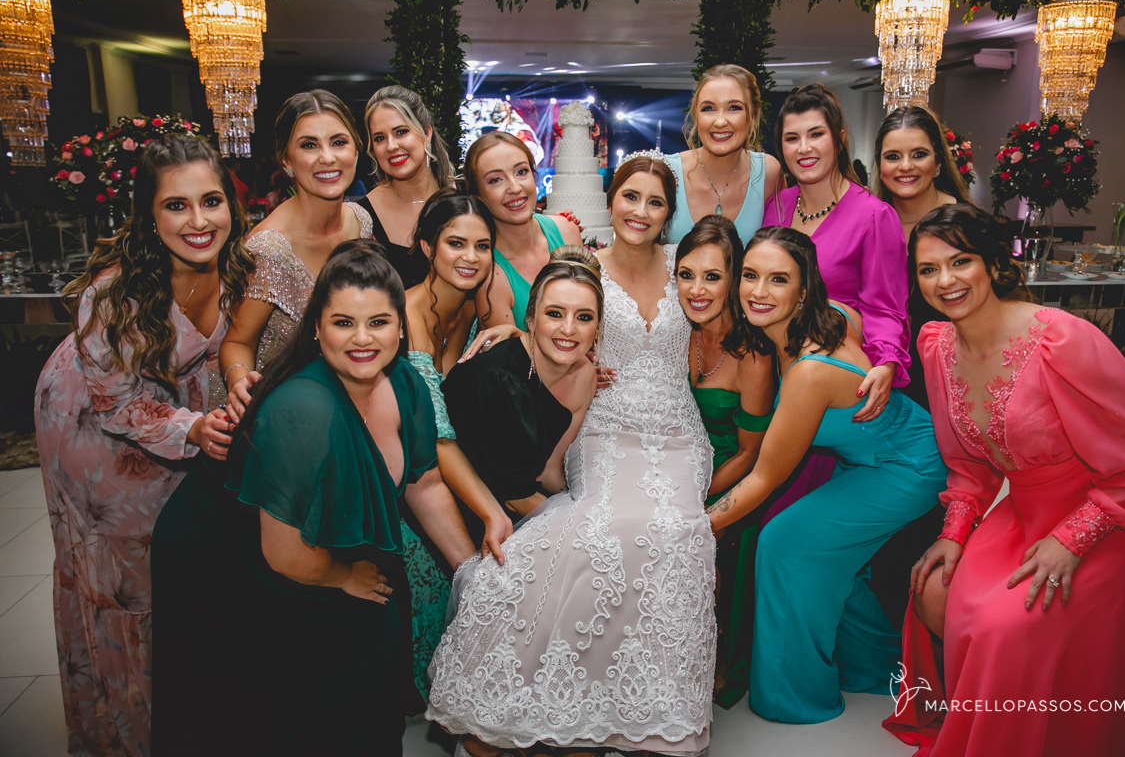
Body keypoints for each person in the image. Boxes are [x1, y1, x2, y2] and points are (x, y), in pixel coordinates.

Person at [884, 205, 1125, 756]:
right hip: (1029, 510)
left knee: (1005, 626)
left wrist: (1071, 541)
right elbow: (970, 467)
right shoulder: (937, 346)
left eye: (961, 261)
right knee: (933, 591)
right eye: (928, 269)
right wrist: (953, 533)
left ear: (993, 263)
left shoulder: (1061, 338)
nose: (946, 280)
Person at [428, 156, 718, 756]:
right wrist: (515, 331)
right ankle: (573, 701)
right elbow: (555, 318)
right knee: (601, 531)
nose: (640, 211)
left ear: (669, 213)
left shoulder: (684, 266)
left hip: (678, 435)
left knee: (677, 532)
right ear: (610, 201)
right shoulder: (587, 264)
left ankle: (654, 711)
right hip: (603, 426)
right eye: (630, 197)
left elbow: (744, 302)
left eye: (655, 201)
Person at [152, 240, 476, 757]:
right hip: (235, 561)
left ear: (400, 326)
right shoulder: (303, 411)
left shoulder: (406, 382)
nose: (363, 339)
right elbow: (284, 553)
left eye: (378, 322)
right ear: (317, 329)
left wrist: (471, 571)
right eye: (344, 323)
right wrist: (345, 575)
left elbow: (425, 483)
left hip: (312, 550)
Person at [34, 134, 254, 756]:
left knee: (179, 571)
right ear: (149, 216)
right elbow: (118, 404)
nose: (198, 221)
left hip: (186, 425)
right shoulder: (111, 294)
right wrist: (192, 428)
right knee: (125, 586)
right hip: (93, 429)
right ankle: (126, 732)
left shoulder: (242, 267)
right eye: (176, 205)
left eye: (211, 200)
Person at [705, 226, 945, 725]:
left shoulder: (809, 371)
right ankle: (879, 667)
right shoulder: (832, 315)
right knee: (829, 557)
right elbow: (861, 323)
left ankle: (793, 698)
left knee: (785, 542)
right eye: (750, 275)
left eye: (778, 279)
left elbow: (764, 478)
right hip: (875, 458)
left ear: (804, 290)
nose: (758, 291)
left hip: (908, 465)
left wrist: (696, 528)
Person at [758, 83, 911, 527]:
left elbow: (885, 306)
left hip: (830, 385)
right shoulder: (777, 208)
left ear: (839, 138)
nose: (803, 148)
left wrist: (886, 362)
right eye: (792, 138)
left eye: (816, 134)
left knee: (799, 519)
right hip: (777, 373)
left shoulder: (874, 215)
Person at [401, 187, 514, 696]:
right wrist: (492, 511)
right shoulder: (408, 316)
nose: (471, 257)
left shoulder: (471, 304)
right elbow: (436, 434)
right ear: (428, 247)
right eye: (456, 243)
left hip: (448, 464)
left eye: (482, 246)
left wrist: (516, 333)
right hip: (399, 476)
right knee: (466, 580)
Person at [865, 105, 974, 628]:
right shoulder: (871, 216)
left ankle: (924, 635)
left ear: (938, 160)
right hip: (883, 382)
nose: (904, 166)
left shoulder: (962, 221)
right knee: (881, 517)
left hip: (946, 384)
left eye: (918, 154)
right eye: (893, 156)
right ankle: (892, 638)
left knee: (934, 517)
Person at [218, 90, 374, 421]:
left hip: (350, 399)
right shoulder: (269, 249)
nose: (327, 158)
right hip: (282, 409)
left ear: (356, 150)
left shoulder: (361, 222)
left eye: (338, 142)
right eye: (309, 145)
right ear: (286, 161)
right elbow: (237, 343)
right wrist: (241, 384)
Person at [675, 215, 774, 708]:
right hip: (669, 472)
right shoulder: (676, 332)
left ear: (733, 280)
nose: (696, 290)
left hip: (729, 483)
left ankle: (706, 658)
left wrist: (694, 497)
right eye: (686, 274)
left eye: (711, 277)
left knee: (688, 548)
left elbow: (750, 454)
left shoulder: (753, 356)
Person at [466, 131, 583, 329]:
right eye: (495, 180)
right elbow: (507, 349)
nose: (514, 187)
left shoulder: (567, 231)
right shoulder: (490, 275)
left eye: (521, 172)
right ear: (478, 197)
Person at [664, 64, 781, 245]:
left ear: (753, 115)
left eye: (734, 108)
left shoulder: (768, 172)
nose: (719, 122)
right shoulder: (669, 171)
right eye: (708, 108)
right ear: (696, 116)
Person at [358, 84, 458, 289]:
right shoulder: (362, 216)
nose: (391, 146)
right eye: (380, 138)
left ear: (427, 133)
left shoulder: (465, 197)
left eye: (401, 132)